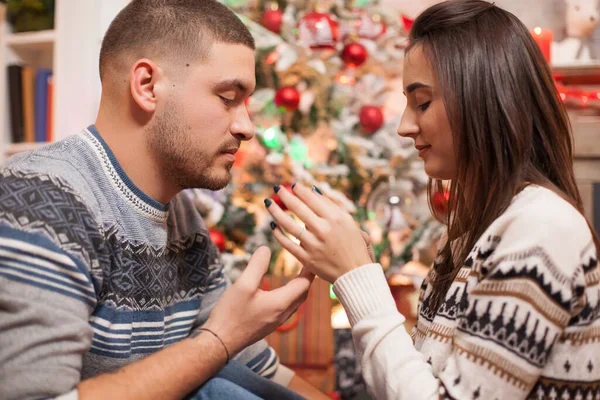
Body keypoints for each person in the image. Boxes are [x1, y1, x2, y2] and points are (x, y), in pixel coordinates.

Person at [264, 0, 600, 399]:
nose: (405, 126)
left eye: (422, 102)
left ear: (484, 98)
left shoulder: (541, 229)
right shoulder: (470, 235)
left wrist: (358, 278)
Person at [0, 0, 329, 399]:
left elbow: (257, 368)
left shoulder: (180, 213)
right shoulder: (42, 197)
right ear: (147, 86)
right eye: (228, 97)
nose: (246, 127)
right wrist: (220, 339)